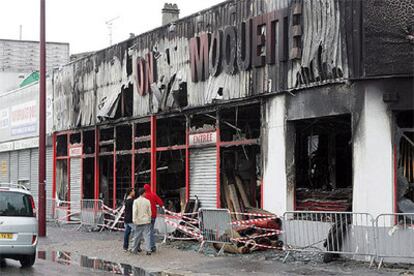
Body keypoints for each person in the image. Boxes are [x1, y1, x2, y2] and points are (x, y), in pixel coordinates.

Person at [130, 187, 152, 255]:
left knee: (137, 236)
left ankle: (134, 249)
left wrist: (134, 219)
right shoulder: (147, 201)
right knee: (147, 236)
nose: (146, 193)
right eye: (145, 192)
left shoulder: (136, 201)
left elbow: (135, 211)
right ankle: (148, 250)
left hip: (138, 221)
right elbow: (149, 212)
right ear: (143, 193)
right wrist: (149, 218)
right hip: (146, 221)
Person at [144, 184, 164, 252]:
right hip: (153, 216)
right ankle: (152, 246)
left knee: (146, 231)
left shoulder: (144, 196)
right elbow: (161, 203)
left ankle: (149, 246)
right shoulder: (153, 195)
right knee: (151, 230)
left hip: (146, 216)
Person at [123, 188, 135, 252]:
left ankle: (125, 246)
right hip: (131, 219)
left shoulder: (126, 200)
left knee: (127, 233)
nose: (134, 192)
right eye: (133, 191)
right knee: (136, 232)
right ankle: (135, 246)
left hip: (126, 218)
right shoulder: (132, 201)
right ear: (130, 192)